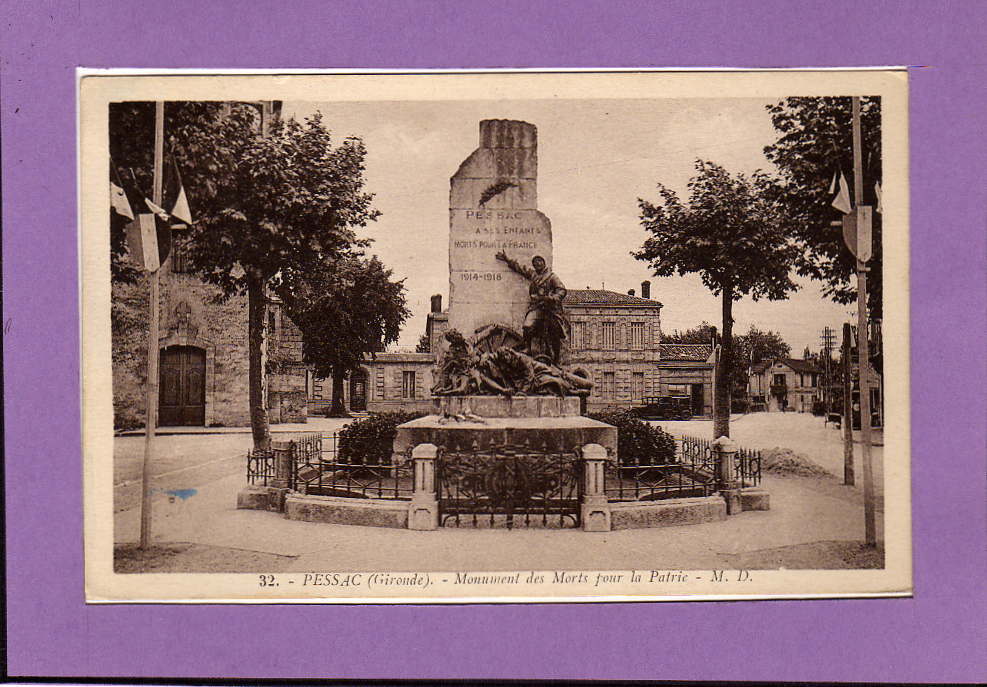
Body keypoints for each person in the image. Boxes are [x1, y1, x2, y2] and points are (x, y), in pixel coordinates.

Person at [495, 251, 569, 365]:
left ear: (544, 263)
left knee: (555, 332)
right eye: (535, 262)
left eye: (539, 261)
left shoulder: (552, 276)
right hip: (537, 307)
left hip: (550, 309)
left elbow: (562, 290)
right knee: (527, 325)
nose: (537, 264)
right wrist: (507, 259)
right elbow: (521, 268)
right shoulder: (534, 275)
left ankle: (557, 358)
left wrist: (552, 298)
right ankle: (528, 347)